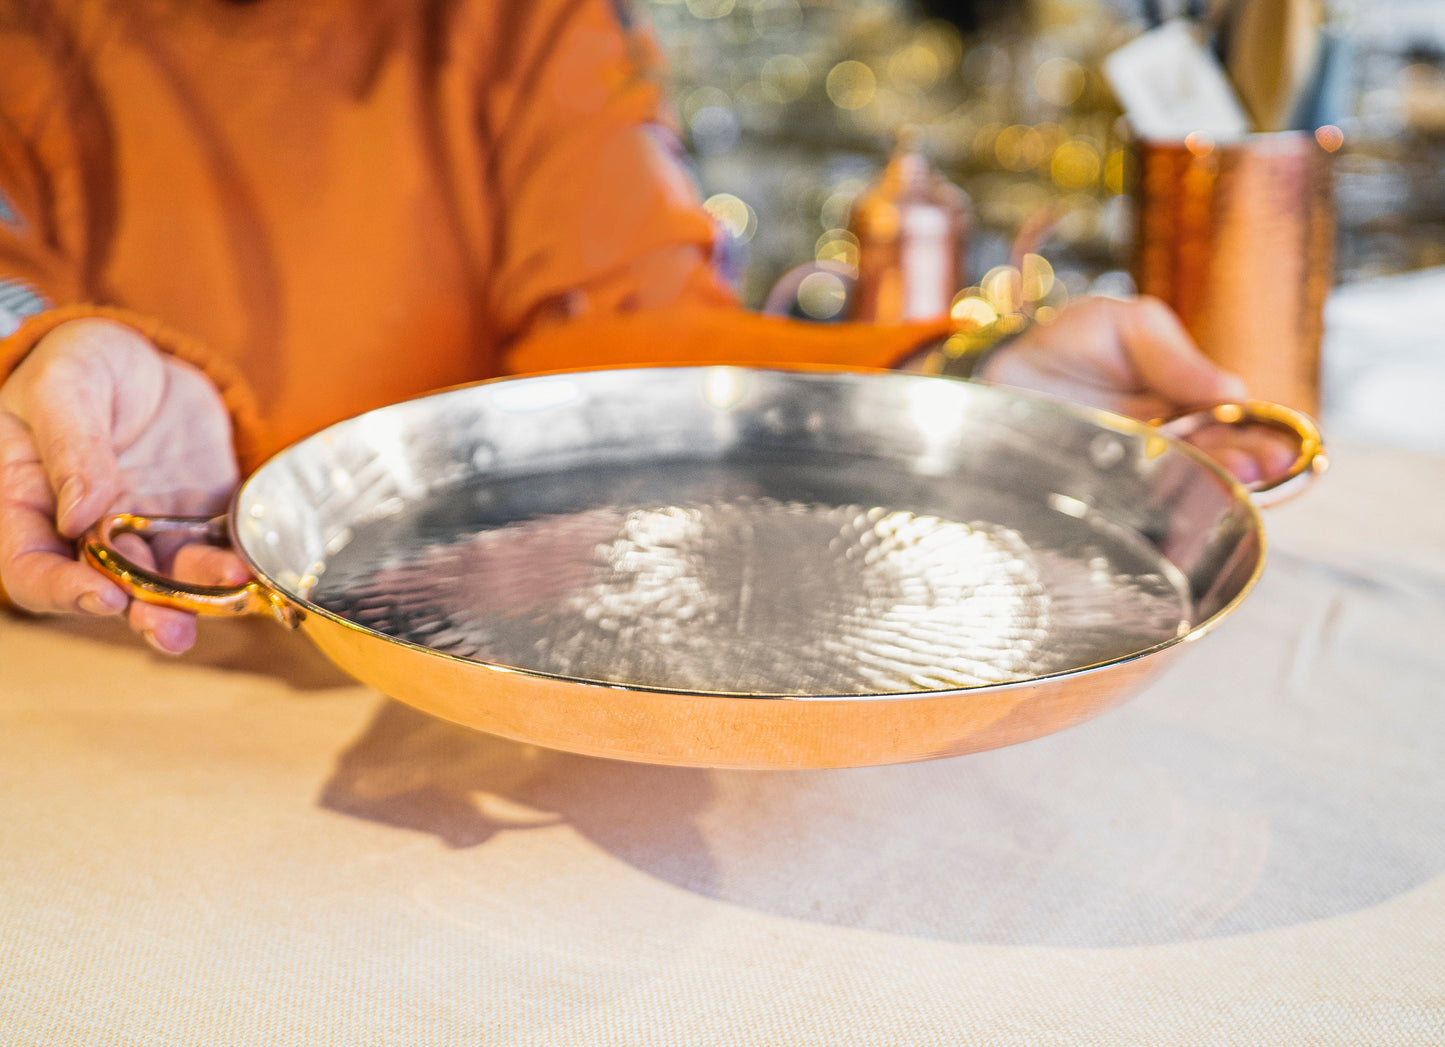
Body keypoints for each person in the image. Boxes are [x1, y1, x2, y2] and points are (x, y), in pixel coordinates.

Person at [0, 0, 1280, 655]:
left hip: (487, 688)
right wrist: (31, 356)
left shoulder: (516, 22)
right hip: (114, 691)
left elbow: (626, 339)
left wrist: (959, 386)